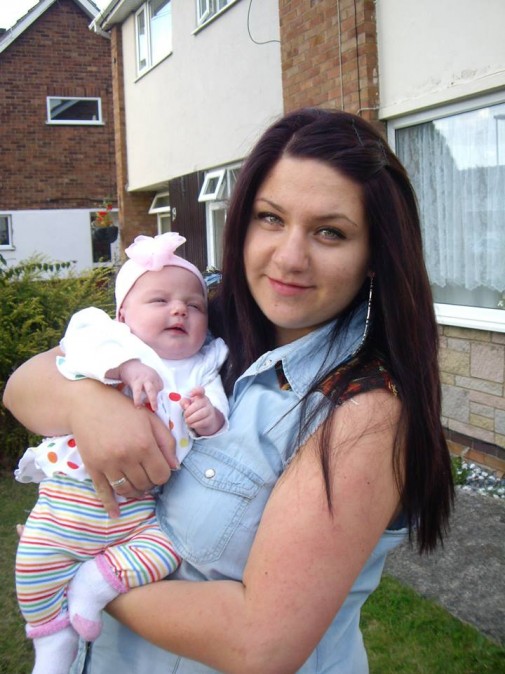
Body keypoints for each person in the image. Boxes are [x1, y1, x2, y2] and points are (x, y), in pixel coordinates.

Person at [4, 108, 454, 674]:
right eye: (271, 218)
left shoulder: (364, 411)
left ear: (374, 257)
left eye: (330, 232)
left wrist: (75, 568)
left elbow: (259, 643)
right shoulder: (200, 317)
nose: (289, 257)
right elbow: (23, 385)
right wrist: (84, 403)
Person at [13, 232, 229, 674]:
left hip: (141, 514)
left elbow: (218, 411)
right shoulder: (111, 340)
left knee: (167, 551)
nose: (179, 310)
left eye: (194, 306)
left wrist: (210, 417)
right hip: (71, 496)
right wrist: (127, 367)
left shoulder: (204, 364)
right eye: (160, 300)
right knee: (34, 566)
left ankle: (95, 583)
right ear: (123, 314)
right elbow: (80, 350)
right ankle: (52, 643)